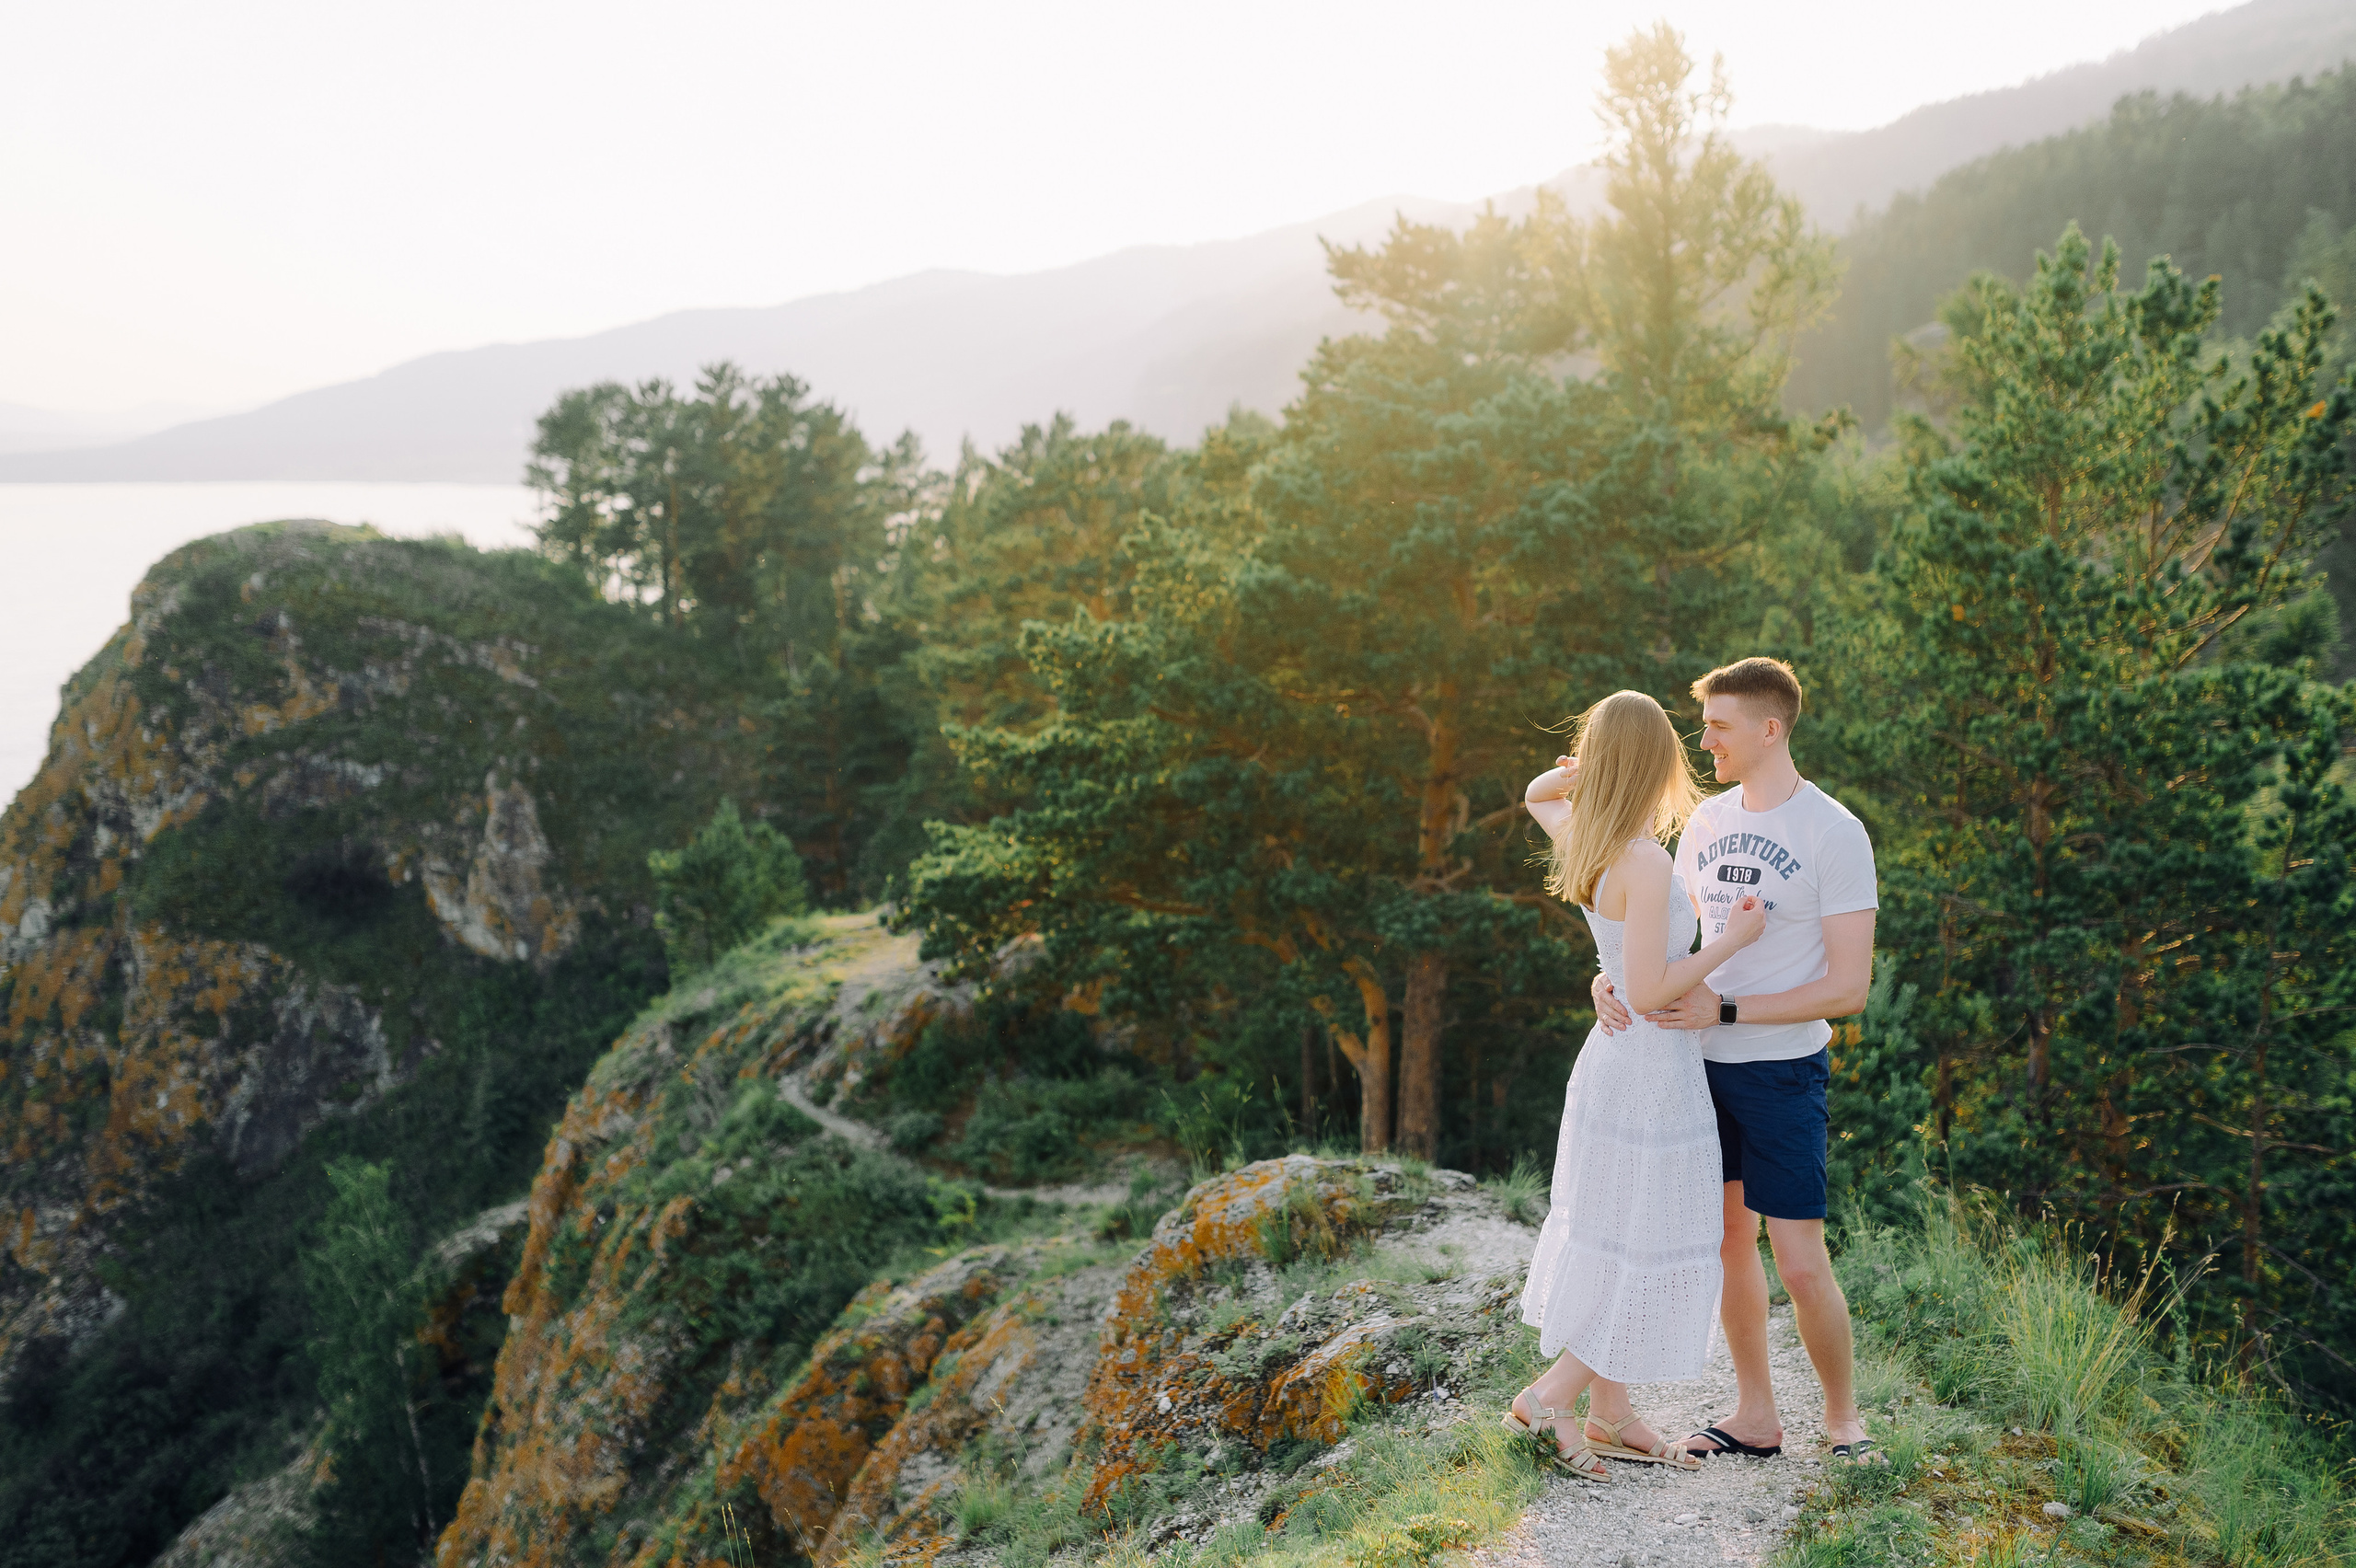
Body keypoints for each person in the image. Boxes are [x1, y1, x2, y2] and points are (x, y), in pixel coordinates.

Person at [1589, 657, 1881, 1465]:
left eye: (1719, 725)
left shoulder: (1834, 833)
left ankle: (1843, 1420)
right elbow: (1667, 938)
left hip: (1782, 1072)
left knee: (1798, 1257)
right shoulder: (1706, 824)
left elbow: (1849, 987)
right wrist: (1609, 977)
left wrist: (1733, 1009)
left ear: (1769, 729)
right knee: (1726, 1239)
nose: (1704, 739)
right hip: (1691, 1066)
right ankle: (1755, 1415)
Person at [1506, 689, 1767, 1482]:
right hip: (1651, 1070)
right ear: (1656, 763)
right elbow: (1652, 990)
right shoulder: (1648, 861)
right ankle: (1550, 1400)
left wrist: (1585, 772)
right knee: (1643, 1237)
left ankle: (1612, 1412)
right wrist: (1732, 941)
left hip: (1612, 1065)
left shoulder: (1588, 836)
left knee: (1622, 1230)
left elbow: (1534, 792)